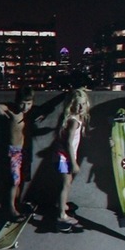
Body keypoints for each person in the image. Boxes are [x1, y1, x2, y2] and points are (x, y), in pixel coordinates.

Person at [48, 87, 92, 233]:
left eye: (83, 104)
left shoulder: (73, 118)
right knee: (66, 185)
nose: (80, 107)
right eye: (77, 104)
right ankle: (61, 215)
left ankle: (62, 205)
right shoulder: (74, 121)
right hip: (64, 157)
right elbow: (68, 143)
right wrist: (73, 163)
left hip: (62, 155)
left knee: (66, 184)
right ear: (71, 105)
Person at [0, 88, 34, 218]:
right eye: (23, 103)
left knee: (21, 179)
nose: (25, 107)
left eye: (29, 103)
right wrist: (2, 111)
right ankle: (11, 208)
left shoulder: (29, 113)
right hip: (13, 151)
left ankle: (17, 204)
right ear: (17, 101)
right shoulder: (13, 110)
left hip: (24, 151)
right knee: (14, 180)